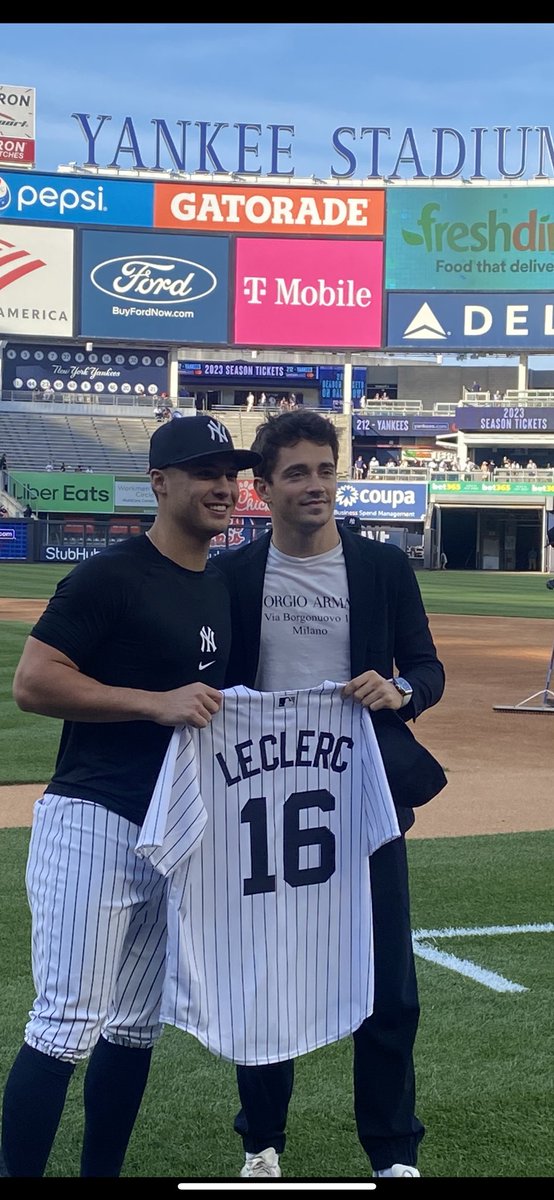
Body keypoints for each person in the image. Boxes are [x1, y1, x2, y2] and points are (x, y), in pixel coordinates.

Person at [0, 414, 261, 1180]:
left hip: (174, 827)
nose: (224, 486)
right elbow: (34, 683)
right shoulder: (110, 574)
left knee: (137, 1026)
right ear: (159, 482)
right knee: (65, 1024)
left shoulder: (216, 582)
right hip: (94, 819)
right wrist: (155, 702)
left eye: (231, 472)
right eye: (205, 471)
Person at [215, 409, 446, 1180]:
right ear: (264, 486)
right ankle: (261, 1140)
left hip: (364, 797)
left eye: (325, 470)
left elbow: (427, 668)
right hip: (261, 808)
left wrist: (401, 688)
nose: (315, 486)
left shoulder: (383, 568)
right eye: (296, 473)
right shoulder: (234, 575)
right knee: (265, 977)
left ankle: (391, 1151)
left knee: (388, 985)